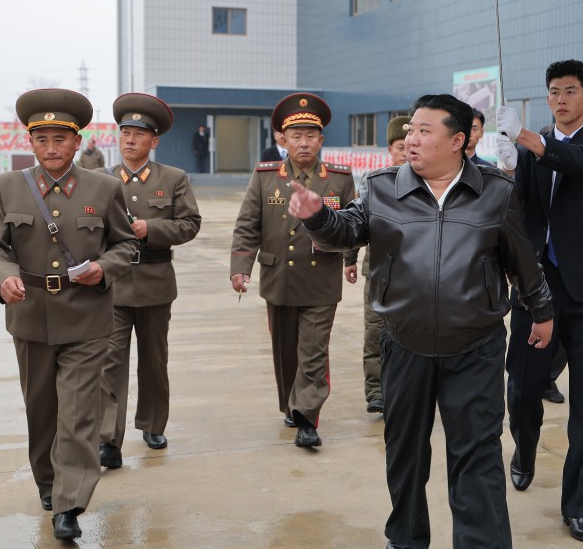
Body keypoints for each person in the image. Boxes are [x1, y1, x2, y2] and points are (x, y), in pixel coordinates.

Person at [289, 93, 553, 549]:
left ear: (457, 140)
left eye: (423, 131)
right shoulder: (382, 186)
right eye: (410, 130)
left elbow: (522, 260)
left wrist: (542, 310)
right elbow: (347, 231)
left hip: (477, 346)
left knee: (477, 456)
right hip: (403, 343)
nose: (410, 139)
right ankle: (406, 539)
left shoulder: (496, 192)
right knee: (405, 454)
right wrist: (317, 218)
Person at [0, 89, 136, 540]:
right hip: (29, 315)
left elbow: (125, 244)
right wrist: (3, 276)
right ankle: (49, 484)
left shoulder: (105, 188)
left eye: (60, 140)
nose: (51, 148)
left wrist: (103, 269)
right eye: (42, 139)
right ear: (30, 142)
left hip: (86, 317)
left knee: (79, 412)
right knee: (42, 409)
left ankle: (70, 503)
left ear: (76, 141)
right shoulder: (7, 186)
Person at [496, 59, 583, 543]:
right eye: (553, 91)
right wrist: (506, 168)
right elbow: (521, 211)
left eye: (570, 91)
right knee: (525, 387)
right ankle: (524, 450)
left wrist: (535, 143)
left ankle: (580, 504)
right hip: (538, 288)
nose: (560, 99)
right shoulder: (530, 152)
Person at [229, 93, 355, 447]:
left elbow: (352, 225)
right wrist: (240, 267)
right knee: (286, 352)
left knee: (314, 351)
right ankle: (291, 403)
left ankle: (307, 417)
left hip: (320, 280)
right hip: (279, 278)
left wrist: (349, 258)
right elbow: (247, 225)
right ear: (282, 140)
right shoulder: (266, 177)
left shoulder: (340, 179)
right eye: (296, 135)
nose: (304, 142)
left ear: (321, 140)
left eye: (311, 135)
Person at [97, 93, 202, 468]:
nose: (129, 139)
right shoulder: (99, 179)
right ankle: (108, 437)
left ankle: (153, 424)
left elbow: (190, 224)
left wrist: (150, 228)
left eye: (139, 134)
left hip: (156, 280)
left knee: (154, 360)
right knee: (110, 362)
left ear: (153, 141)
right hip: (112, 284)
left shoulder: (173, 179)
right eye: (125, 132)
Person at [358, 115, 410, 415]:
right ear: (390, 149)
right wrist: (350, 260)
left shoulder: (428, 180)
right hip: (378, 272)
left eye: (409, 145)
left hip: (412, 274)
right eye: (399, 146)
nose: (405, 152)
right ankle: (376, 391)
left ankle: (401, 390)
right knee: (374, 331)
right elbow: (356, 223)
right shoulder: (374, 181)